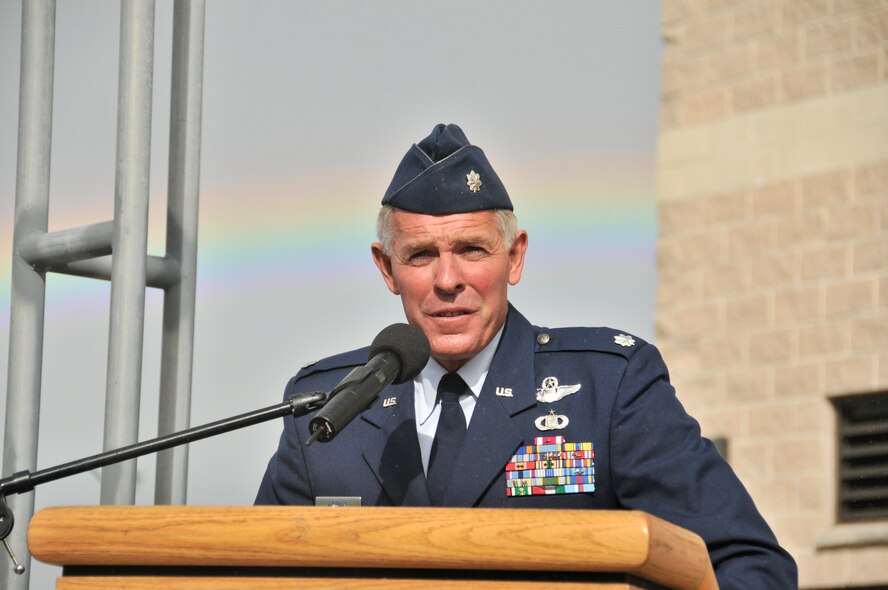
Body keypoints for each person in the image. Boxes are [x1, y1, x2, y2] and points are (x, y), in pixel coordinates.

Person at [256, 123, 797, 588]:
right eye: (421, 255)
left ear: (515, 258)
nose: (448, 281)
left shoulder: (608, 388)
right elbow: (253, 571)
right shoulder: (331, 412)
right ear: (386, 268)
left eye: (472, 250)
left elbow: (747, 566)